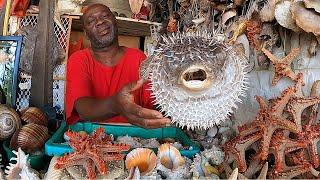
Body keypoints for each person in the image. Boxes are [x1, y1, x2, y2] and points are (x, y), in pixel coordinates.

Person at [66, 3, 171, 128]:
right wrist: (116, 105)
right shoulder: (79, 59)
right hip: (92, 136)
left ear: (115, 21)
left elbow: (155, 103)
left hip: (136, 137)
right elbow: (83, 109)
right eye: (91, 21)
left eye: (105, 16)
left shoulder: (138, 57)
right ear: (86, 33)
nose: (99, 22)